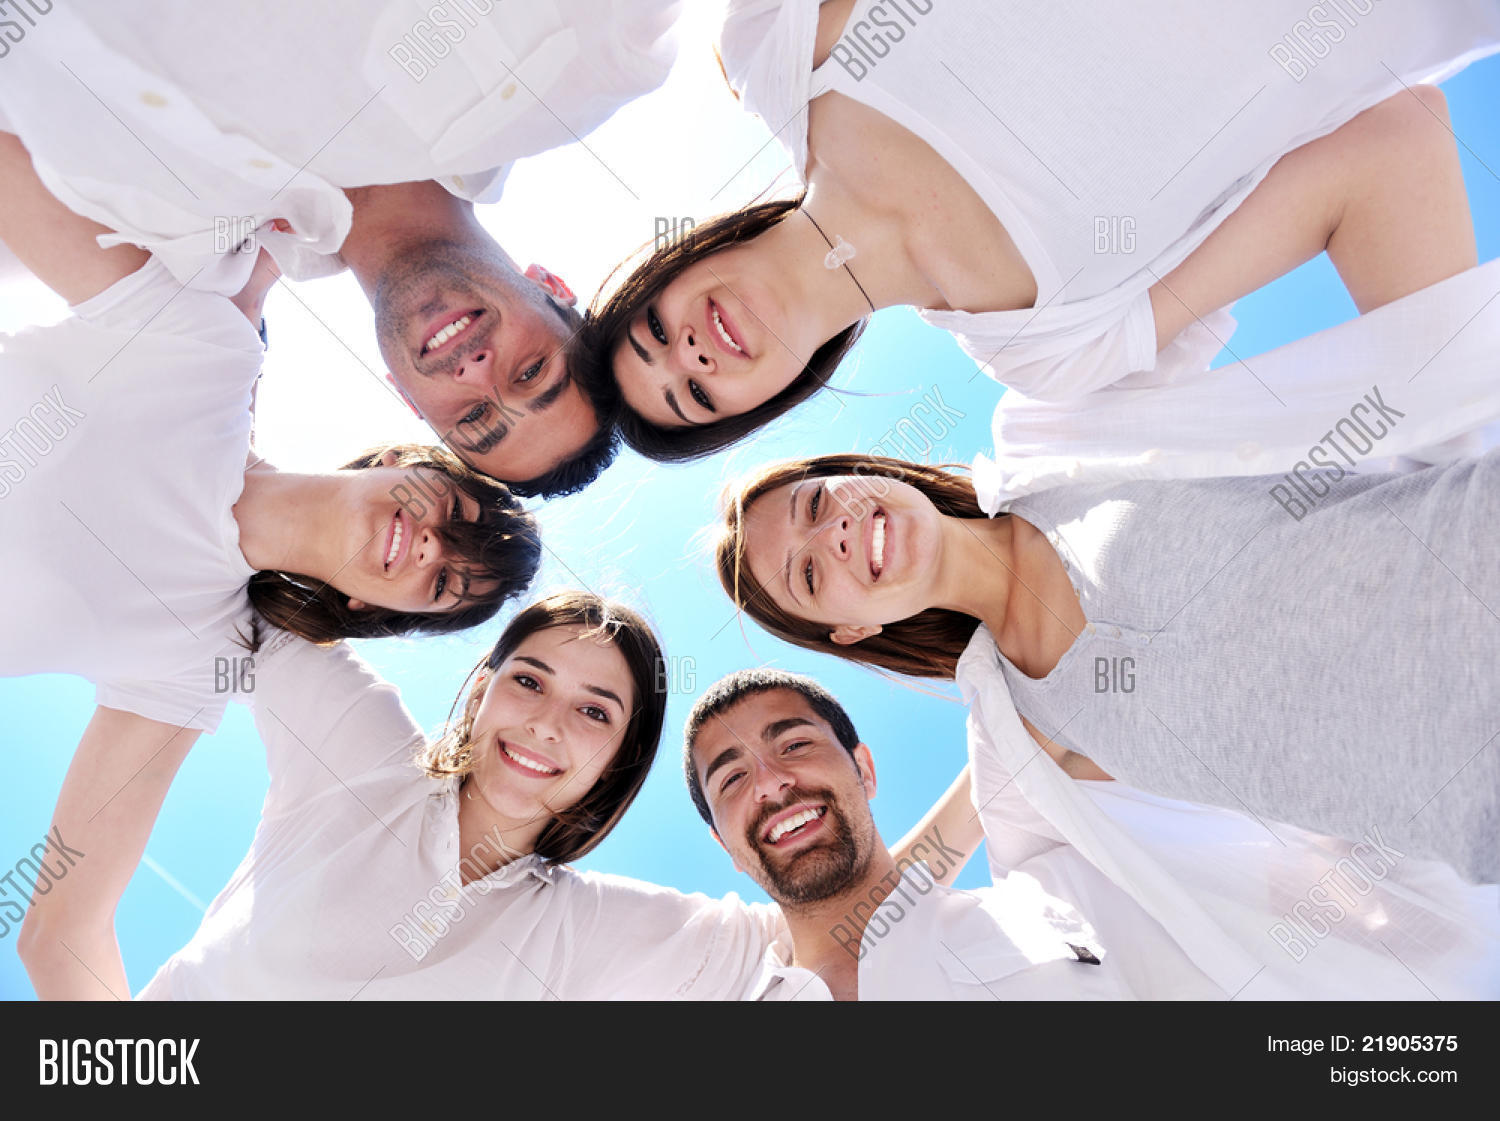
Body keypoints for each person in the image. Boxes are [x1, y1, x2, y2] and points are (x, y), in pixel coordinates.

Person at [574, 0, 1500, 462]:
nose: (689, 353)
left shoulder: (777, 48)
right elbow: (1391, 148)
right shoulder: (1050, 345)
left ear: (667, 268)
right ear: (767, 401)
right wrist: (1460, 464)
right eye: (694, 395)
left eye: (655, 332)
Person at [19, 593, 971, 999]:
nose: (548, 725)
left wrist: (1005, 756)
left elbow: (849, 920)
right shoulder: (361, 754)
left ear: (616, 763)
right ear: (478, 690)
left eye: (595, 711)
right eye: (529, 681)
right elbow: (232, 604)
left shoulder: (591, 928)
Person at [0, 130, 541, 830]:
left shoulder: (197, 657)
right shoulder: (209, 355)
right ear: (399, 462)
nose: (434, 548)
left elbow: (63, 927)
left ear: (370, 608)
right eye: (454, 515)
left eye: (443, 584)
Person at [0, 0, 695, 494]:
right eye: (529, 370)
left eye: (474, 416)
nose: (479, 370)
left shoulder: (179, 259)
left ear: (404, 395)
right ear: (554, 286)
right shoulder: (588, 65)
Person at [711, 451, 1500, 886]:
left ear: (864, 472)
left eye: (817, 503)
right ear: (854, 628)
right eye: (808, 575)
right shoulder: (1025, 730)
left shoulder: (1066, 451)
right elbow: (888, 901)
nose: (836, 536)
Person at [683, 667, 1223, 1000]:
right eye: (732, 778)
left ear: (865, 770)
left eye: (795, 745)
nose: (772, 783)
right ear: (724, 847)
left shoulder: (1056, 911)